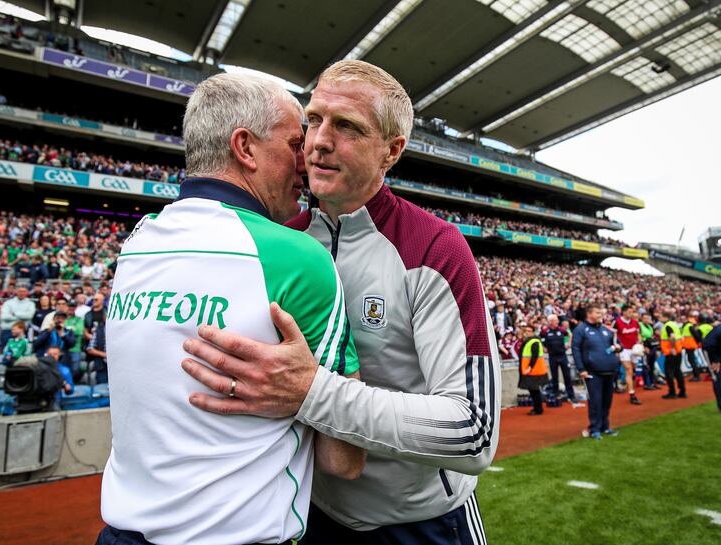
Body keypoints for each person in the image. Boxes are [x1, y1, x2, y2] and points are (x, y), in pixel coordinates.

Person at [181, 60, 500, 544]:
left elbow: (473, 432)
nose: (317, 142)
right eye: (313, 120)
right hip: (311, 518)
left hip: (422, 524)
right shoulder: (277, 241)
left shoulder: (433, 247)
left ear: (392, 151)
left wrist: (312, 393)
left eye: (347, 126)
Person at [98, 73, 363, 545]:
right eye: (294, 143)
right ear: (245, 147)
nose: (305, 162)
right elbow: (342, 461)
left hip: (121, 533)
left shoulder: (137, 243)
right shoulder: (297, 256)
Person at [572, 304, 621, 440]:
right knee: (595, 401)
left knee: (607, 401)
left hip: (610, 370)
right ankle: (594, 428)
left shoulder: (606, 329)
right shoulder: (581, 330)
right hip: (593, 372)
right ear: (589, 314)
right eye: (598, 312)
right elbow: (575, 349)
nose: (601, 315)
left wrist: (618, 347)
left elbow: (618, 344)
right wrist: (581, 369)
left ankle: (605, 426)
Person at [542, 314, 576, 405]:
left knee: (567, 376)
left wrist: (568, 344)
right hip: (552, 357)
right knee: (554, 377)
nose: (557, 321)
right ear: (550, 322)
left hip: (562, 355)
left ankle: (571, 396)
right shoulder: (545, 331)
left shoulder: (561, 329)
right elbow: (541, 341)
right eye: (555, 320)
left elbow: (570, 334)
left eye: (557, 320)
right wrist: (544, 349)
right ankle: (556, 395)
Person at [614, 305, 642, 404]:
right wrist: (616, 347)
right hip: (624, 349)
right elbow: (614, 335)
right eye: (629, 312)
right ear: (624, 312)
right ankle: (632, 394)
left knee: (633, 370)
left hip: (634, 349)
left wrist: (640, 342)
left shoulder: (635, 322)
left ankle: (629, 386)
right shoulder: (617, 322)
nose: (631, 313)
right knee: (629, 370)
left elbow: (638, 334)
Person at [519, 324, 549, 415]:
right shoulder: (529, 341)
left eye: (529, 331)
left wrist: (529, 367)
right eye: (526, 331)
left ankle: (538, 409)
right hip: (531, 371)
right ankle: (537, 408)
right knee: (533, 391)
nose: (526, 332)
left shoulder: (534, 341)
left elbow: (535, 356)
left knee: (534, 391)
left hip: (534, 371)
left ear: (533, 332)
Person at [660, 309, 686, 399]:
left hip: (671, 352)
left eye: (661, 316)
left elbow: (672, 336)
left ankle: (672, 392)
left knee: (669, 373)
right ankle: (682, 391)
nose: (659, 318)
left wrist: (672, 348)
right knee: (678, 371)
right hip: (678, 351)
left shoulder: (667, 326)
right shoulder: (674, 324)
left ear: (665, 317)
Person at [700, 322, 721, 411]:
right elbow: (709, 345)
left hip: (717, 349)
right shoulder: (719, 330)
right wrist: (715, 361)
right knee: (716, 376)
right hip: (710, 351)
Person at [64, 300, 85, 382]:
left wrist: (66, 329)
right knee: (64, 369)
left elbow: (79, 331)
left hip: (75, 348)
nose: (71, 308)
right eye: (70, 307)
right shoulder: (63, 318)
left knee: (75, 369)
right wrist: (71, 328)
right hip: (63, 349)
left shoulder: (79, 319)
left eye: (73, 307)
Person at [639, 313, 660, 390]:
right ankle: (647, 384)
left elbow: (653, 338)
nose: (646, 320)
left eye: (648, 318)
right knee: (645, 366)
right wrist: (643, 347)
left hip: (652, 348)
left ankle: (652, 383)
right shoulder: (639, 325)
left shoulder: (650, 327)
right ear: (641, 318)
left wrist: (656, 350)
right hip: (645, 348)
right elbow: (638, 337)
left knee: (652, 366)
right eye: (645, 318)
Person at [681, 311, 703, 382]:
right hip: (689, 345)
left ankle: (697, 376)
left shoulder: (688, 326)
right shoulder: (688, 326)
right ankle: (696, 375)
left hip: (690, 346)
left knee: (692, 360)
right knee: (692, 360)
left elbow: (696, 335)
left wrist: (698, 341)